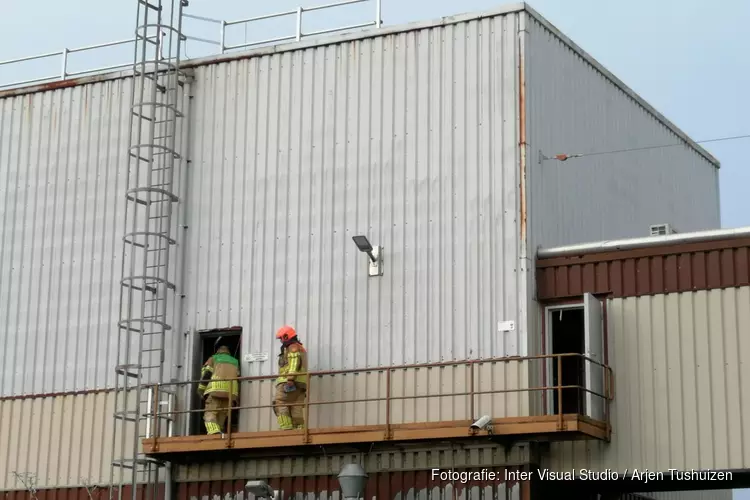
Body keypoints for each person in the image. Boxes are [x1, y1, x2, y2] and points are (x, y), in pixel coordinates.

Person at [197, 337, 240, 435]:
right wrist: (236, 398)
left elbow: (207, 374)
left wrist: (200, 390)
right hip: (230, 394)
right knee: (222, 416)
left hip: (215, 390)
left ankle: (213, 432)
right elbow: (238, 378)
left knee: (210, 413)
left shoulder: (213, 358)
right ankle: (219, 434)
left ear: (217, 351)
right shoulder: (235, 361)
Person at [273, 325, 308, 430]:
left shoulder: (292, 347)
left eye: (281, 338)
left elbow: (293, 363)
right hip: (301, 384)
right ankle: (299, 428)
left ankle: (286, 428)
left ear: (286, 336)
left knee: (280, 403)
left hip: (288, 382)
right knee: (296, 406)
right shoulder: (300, 348)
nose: (281, 341)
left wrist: (290, 378)